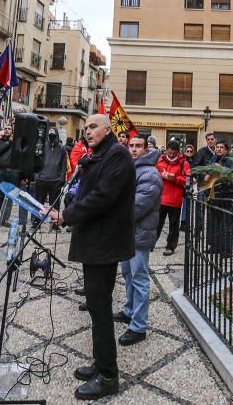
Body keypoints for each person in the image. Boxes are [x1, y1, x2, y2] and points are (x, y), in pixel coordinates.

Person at [44, 114, 135, 400]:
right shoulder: (96, 154)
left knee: (100, 307)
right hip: (94, 239)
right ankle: (100, 362)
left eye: (94, 126)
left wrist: (66, 216)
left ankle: (109, 375)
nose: (88, 131)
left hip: (104, 242)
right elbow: (86, 191)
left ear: (108, 129)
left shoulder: (117, 154)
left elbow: (102, 197)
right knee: (96, 307)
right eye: (86, 128)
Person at [116, 133, 161, 346]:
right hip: (126, 232)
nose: (133, 149)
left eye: (138, 146)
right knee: (127, 274)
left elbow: (138, 206)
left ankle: (139, 326)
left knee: (140, 277)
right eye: (131, 145)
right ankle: (130, 310)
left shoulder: (150, 174)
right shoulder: (131, 169)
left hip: (139, 234)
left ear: (146, 149)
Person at [155, 140, 189, 256]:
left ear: (177, 152)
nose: (171, 156)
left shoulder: (183, 163)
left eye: (173, 154)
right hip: (160, 198)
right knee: (156, 223)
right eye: (169, 153)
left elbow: (188, 181)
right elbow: (152, 174)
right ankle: (150, 244)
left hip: (175, 199)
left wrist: (174, 178)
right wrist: (160, 176)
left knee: (173, 225)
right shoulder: (159, 160)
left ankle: (170, 246)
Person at [206, 140, 233, 257]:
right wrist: (208, 174)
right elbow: (205, 173)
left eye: (221, 147)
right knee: (214, 223)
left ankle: (227, 249)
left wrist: (221, 170)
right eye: (217, 147)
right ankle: (214, 246)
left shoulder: (231, 161)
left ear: (226, 149)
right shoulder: (213, 159)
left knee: (226, 224)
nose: (218, 149)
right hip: (214, 196)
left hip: (227, 196)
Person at [34, 128, 67, 228]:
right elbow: (37, 162)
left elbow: (64, 165)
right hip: (42, 179)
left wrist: (62, 178)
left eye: (53, 135)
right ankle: (36, 222)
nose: (51, 137)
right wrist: (37, 176)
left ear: (57, 135)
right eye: (50, 135)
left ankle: (55, 224)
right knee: (39, 203)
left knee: (55, 204)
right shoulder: (43, 146)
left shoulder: (61, 148)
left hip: (55, 180)